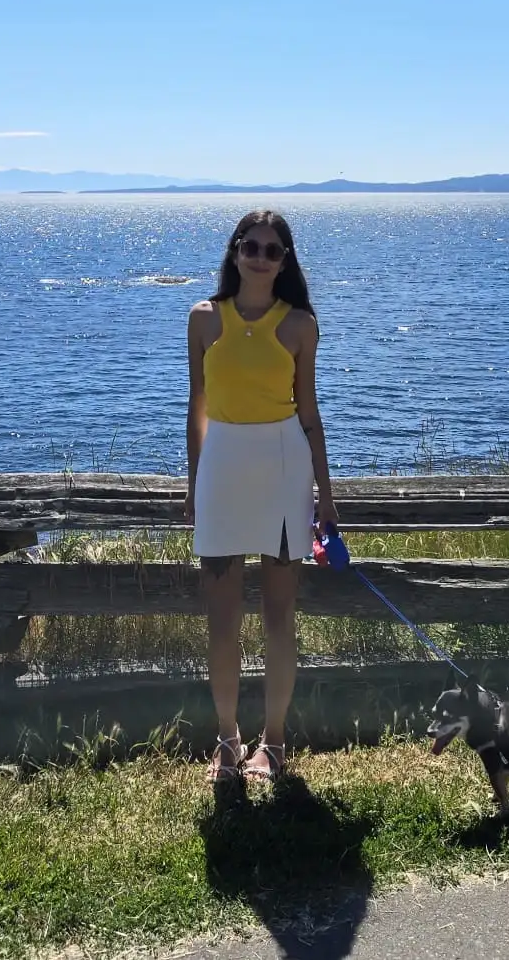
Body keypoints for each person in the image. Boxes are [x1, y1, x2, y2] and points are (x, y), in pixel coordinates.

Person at [184, 209, 337, 784]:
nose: (260, 257)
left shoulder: (298, 324)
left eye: (273, 250)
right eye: (251, 246)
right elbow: (196, 408)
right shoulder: (203, 318)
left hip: (282, 465)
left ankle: (272, 743)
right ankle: (228, 740)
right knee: (220, 622)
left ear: (285, 261)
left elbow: (310, 413)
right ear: (234, 250)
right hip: (221, 466)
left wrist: (326, 493)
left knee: (279, 618)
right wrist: (193, 484)